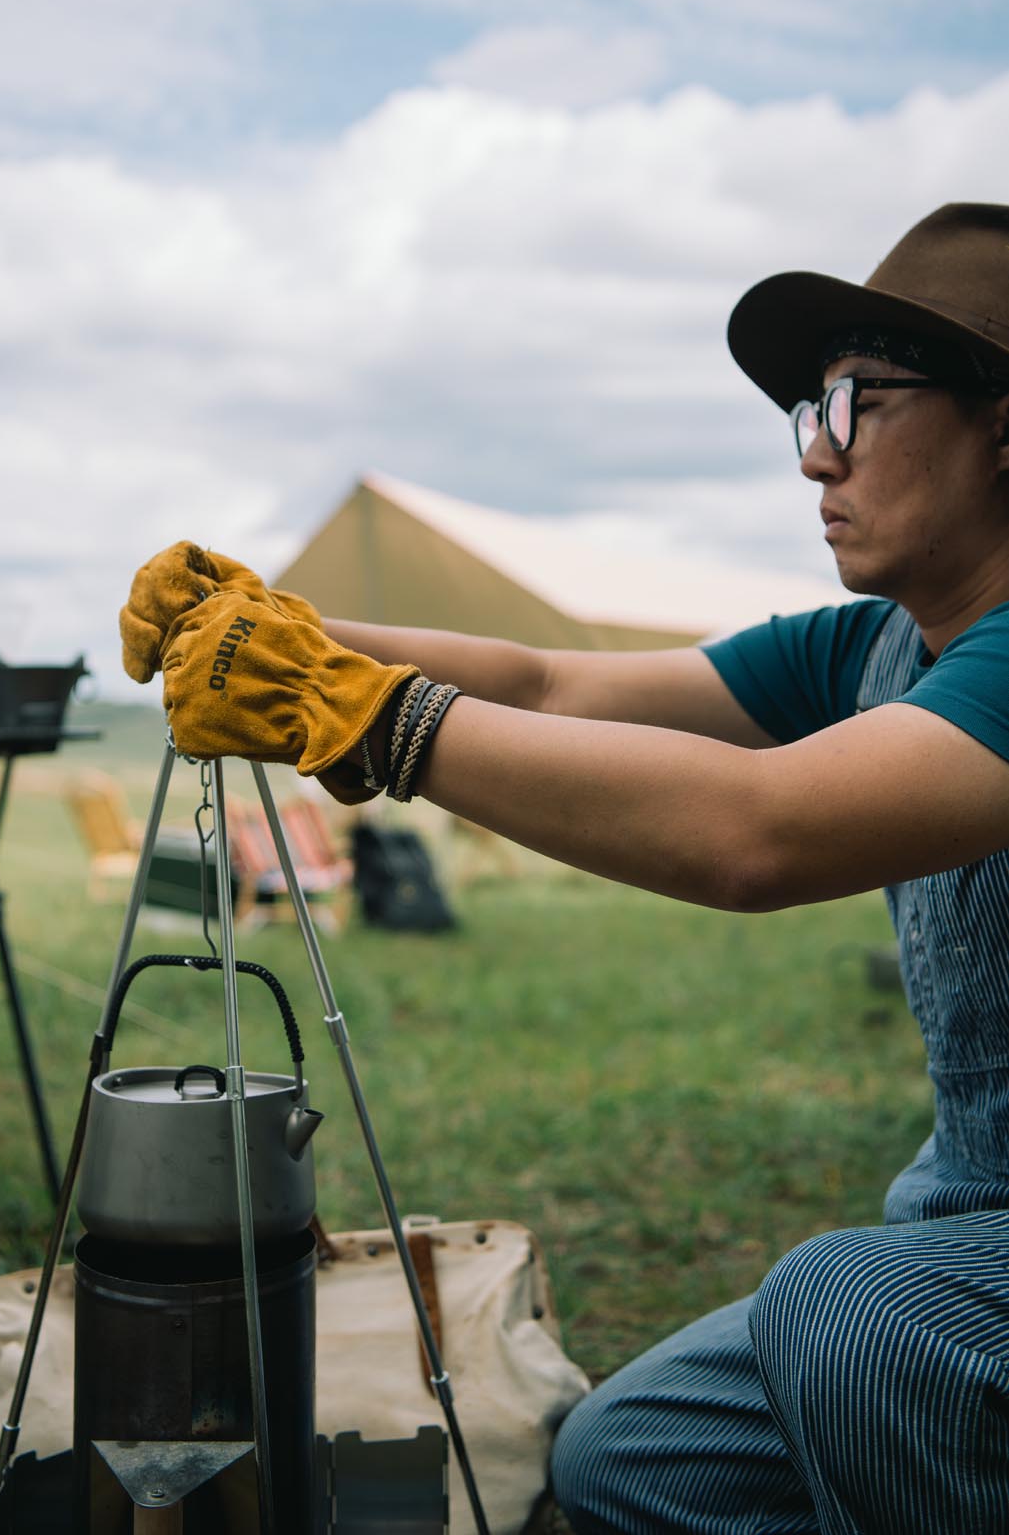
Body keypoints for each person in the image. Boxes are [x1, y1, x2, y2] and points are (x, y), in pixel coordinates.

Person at [121, 202, 1009, 1534]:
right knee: (630, 1458)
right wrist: (280, 627)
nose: (814, 457)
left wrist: (384, 725)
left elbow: (758, 830)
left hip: (934, 1281)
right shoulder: (874, 647)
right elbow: (555, 680)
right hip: (961, 1237)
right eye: (807, 413)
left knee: (849, 1306)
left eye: (855, 402)